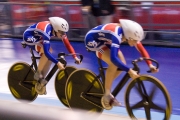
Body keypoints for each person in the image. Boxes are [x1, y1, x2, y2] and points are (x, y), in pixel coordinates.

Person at [84, 19, 159, 110]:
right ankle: (107, 94)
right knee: (114, 63)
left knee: (122, 64)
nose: (136, 43)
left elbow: (142, 49)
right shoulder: (116, 35)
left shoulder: (129, 34)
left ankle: (105, 85)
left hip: (106, 39)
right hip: (93, 41)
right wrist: (129, 70)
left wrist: (150, 65)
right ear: (129, 37)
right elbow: (113, 58)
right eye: (134, 41)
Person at [23, 17, 81, 95]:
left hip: (38, 36)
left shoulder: (59, 30)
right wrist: (57, 63)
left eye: (64, 32)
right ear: (56, 29)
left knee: (50, 57)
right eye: (62, 33)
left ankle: (41, 81)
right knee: (48, 52)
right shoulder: (46, 31)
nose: (63, 34)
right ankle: (38, 73)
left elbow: (68, 45)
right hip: (29, 37)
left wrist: (75, 57)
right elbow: (46, 52)